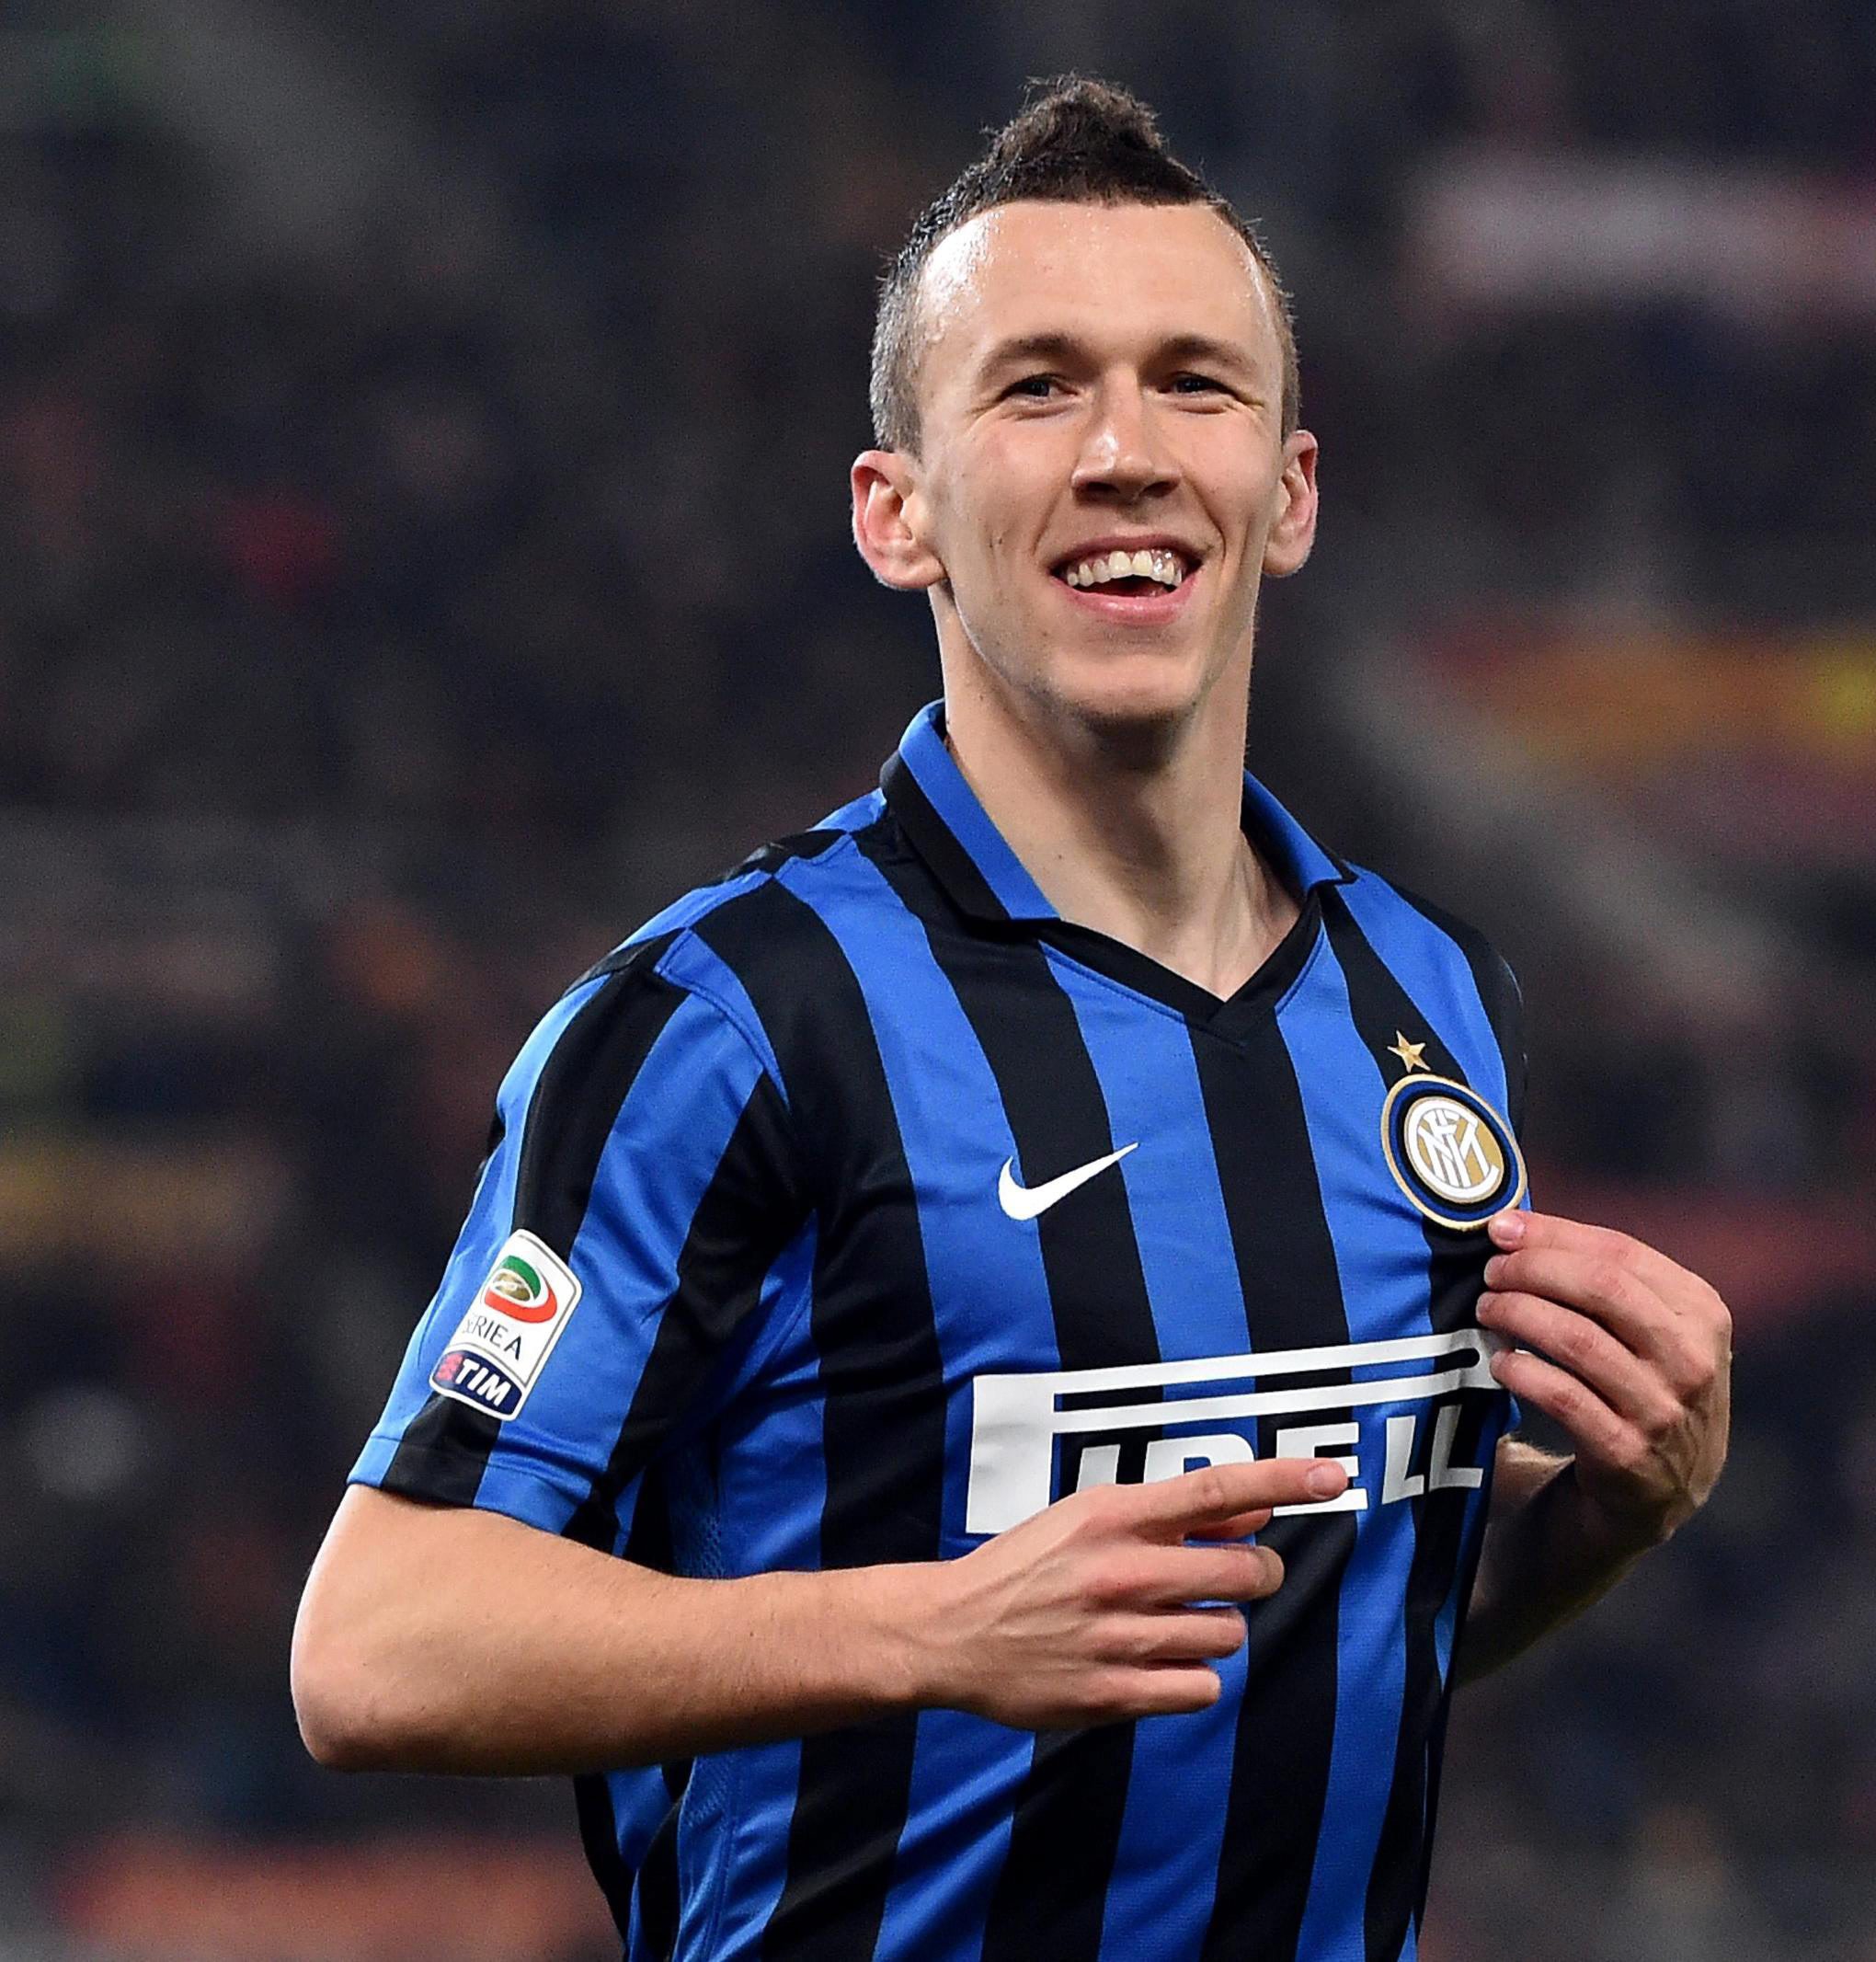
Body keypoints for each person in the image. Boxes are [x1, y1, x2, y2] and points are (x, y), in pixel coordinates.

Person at [290, 77, 1732, 1962]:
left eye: (1196, 382)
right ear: (899, 514)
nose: (1128, 448)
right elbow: (377, 1639)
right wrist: (933, 1630)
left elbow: (1333, 1616)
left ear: (1288, 490)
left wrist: (1620, 1501)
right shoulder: (731, 1018)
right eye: (1038, 385)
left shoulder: (1421, 991)